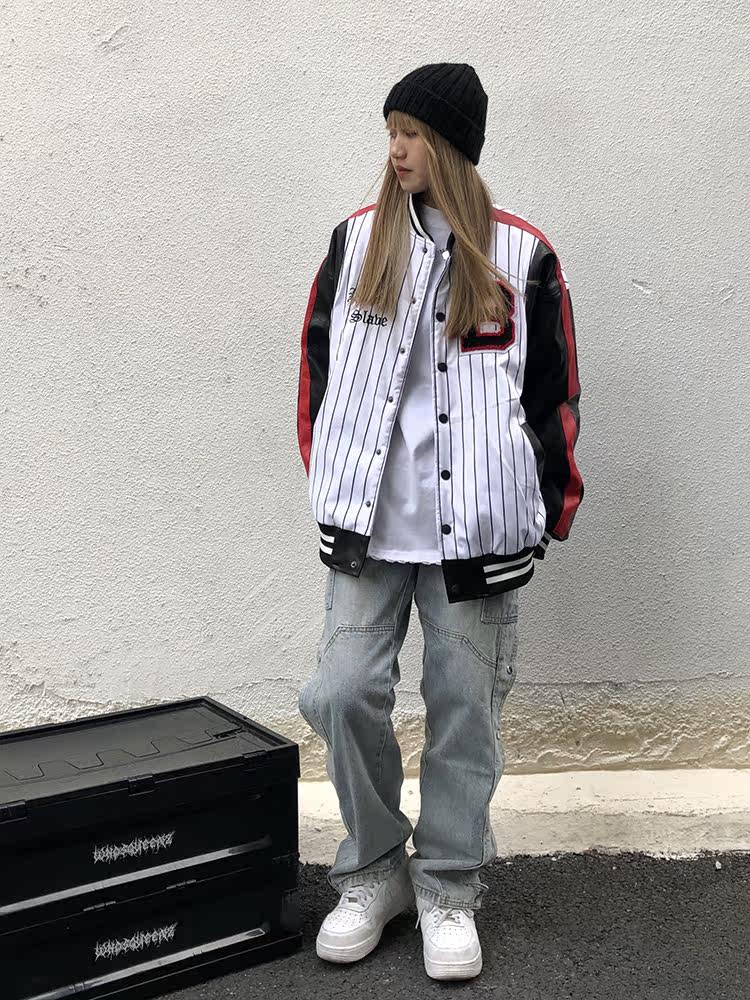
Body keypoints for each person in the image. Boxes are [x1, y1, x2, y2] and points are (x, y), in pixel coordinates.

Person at [296, 62, 584, 981]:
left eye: (413, 132)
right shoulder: (355, 243)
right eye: (391, 129)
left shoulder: (521, 256)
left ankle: (449, 885)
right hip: (370, 526)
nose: (396, 148)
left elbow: (554, 394)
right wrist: (332, 477)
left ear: (452, 145)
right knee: (341, 692)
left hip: (478, 530)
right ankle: (374, 870)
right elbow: (317, 373)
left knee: (465, 711)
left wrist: (546, 506)